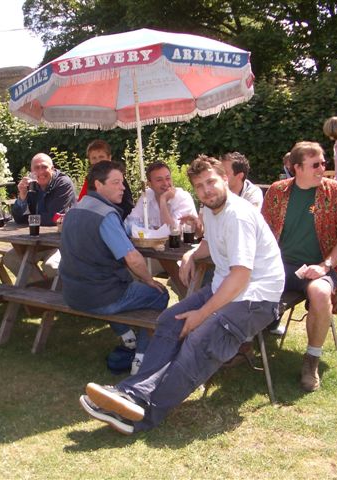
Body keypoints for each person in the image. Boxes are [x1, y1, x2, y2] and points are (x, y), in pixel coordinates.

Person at [79, 155, 284, 434]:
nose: (206, 190)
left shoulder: (238, 215)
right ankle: (132, 395)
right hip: (226, 289)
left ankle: (142, 416)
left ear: (225, 179)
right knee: (169, 320)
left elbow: (240, 277)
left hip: (256, 298)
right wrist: (190, 254)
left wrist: (202, 313)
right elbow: (210, 244)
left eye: (211, 182)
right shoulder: (211, 210)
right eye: (199, 186)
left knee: (199, 339)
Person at [261, 141, 337, 392]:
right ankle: (242, 343)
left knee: (319, 292)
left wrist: (325, 265)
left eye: (324, 163)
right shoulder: (277, 192)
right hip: (281, 267)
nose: (322, 168)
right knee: (242, 280)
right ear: (296, 168)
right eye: (315, 164)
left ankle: (311, 360)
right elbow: (261, 233)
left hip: (321, 268)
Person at [60, 161, 170, 375]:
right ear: (98, 185)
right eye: (116, 182)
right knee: (159, 294)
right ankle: (142, 357)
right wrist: (149, 280)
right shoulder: (106, 215)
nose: (122, 187)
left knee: (129, 286)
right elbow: (133, 259)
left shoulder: (74, 210)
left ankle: (128, 338)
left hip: (72, 294)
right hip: (101, 298)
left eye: (123, 182)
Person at [8, 153, 76, 283]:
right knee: (11, 258)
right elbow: (18, 218)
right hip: (38, 241)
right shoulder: (32, 185)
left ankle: (56, 297)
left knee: (51, 266)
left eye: (44, 167)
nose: (40, 171)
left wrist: (29, 217)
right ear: (31, 171)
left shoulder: (62, 183)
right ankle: (40, 295)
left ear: (52, 168)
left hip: (62, 242)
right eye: (36, 168)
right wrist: (22, 196)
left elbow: (54, 217)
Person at [125, 161, 197, 231]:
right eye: (159, 180)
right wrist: (153, 229)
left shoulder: (183, 197)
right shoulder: (147, 195)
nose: (165, 183)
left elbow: (173, 231)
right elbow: (129, 223)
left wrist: (163, 201)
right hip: (152, 243)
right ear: (150, 184)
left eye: (168, 178)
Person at [77, 139, 134, 219]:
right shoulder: (89, 178)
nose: (98, 161)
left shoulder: (117, 178)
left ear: (109, 158)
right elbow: (81, 201)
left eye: (101, 157)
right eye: (94, 158)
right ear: (89, 160)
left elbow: (128, 207)